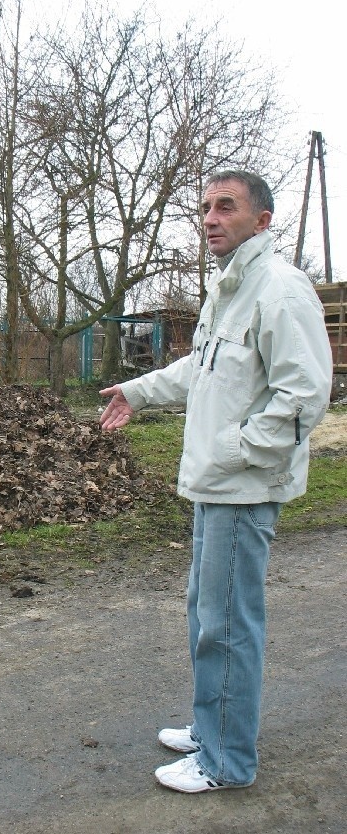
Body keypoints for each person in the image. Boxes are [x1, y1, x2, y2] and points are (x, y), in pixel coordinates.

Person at [99, 170, 334, 793]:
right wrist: (136, 390)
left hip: (242, 485)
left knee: (227, 623)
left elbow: (306, 396)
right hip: (214, 484)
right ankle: (212, 728)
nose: (209, 217)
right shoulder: (229, 291)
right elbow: (196, 371)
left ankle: (226, 761)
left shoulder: (279, 290)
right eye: (204, 207)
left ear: (261, 221)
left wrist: (236, 449)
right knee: (209, 616)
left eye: (225, 207)